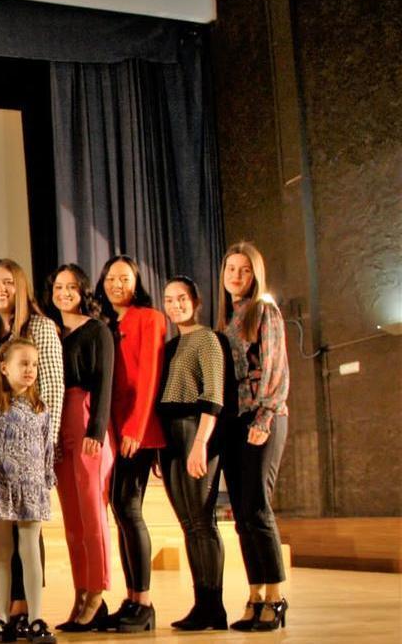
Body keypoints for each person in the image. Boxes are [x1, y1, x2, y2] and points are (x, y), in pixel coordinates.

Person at [0, 259, 63, 631]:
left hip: (31, 457)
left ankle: (29, 610)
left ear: (22, 286)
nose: (1, 289)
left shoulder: (40, 327)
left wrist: (48, 453)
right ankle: (5, 612)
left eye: (9, 282)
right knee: (3, 547)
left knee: (29, 543)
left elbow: (54, 388)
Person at [217, 242, 290, 632]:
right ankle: (255, 593)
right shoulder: (228, 319)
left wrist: (263, 418)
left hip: (264, 416)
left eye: (244, 270)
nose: (237, 276)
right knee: (242, 515)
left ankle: (276, 597)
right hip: (234, 422)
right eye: (231, 269)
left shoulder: (266, 311)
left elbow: (276, 370)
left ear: (255, 274)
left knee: (259, 508)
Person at [0, 338, 57, 644]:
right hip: (1, 487)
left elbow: (47, 449)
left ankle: (35, 617)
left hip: (31, 489)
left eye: (33, 364)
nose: (30, 369)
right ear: (4, 368)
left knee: (30, 551)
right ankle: (2, 617)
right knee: (2, 552)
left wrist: (47, 481)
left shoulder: (41, 408)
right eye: (23, 363)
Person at [95, 254, 166, 633]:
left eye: (123, 278)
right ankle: (132, 597)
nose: (115, 284)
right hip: (113, 430)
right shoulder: (107, 324)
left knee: (130, 509)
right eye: (110, 278)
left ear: (136, 283)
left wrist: (135, 429)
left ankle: (145, 602)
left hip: (137, 431)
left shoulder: (149, 319)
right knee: (122, 512)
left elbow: (151, 376)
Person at [45, 264, 115, 632]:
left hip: (88, 422)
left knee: (92, 516)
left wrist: (98, 431)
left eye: (72, 287)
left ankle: (97, 592)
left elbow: (105, 381)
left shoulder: (96, 330)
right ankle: (80, 592)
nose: (64, 293)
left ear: (83, 291)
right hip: (60, 426)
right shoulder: (54, 333)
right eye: (59, 287)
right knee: (72, 521)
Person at [157, 276, 228, 630]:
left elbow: (213, 395)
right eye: (169, 299)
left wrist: (199, 443)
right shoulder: (170, 345)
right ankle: (202, 604)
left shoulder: (207, 340)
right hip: (170, 435)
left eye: (181, 298)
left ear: (196, 301)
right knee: (188, 524)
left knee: (202, 521)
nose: (175, 305)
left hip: (195, 431)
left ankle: (214, 605)